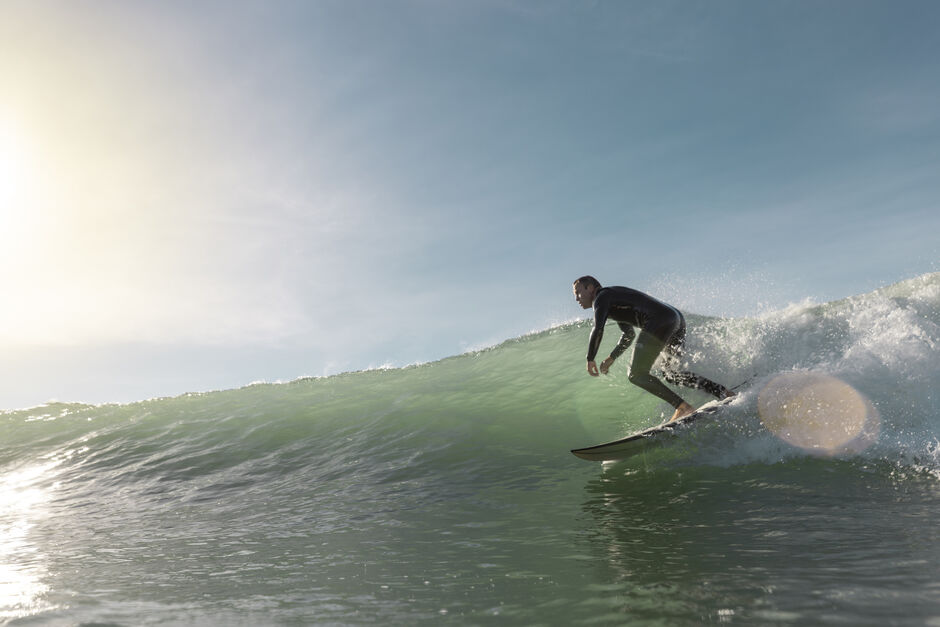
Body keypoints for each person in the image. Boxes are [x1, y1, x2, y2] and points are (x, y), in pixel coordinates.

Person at [572, 275, 734, 422]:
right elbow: (628, 335)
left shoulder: (601, 297)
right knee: (671, 375)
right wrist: (612, 357)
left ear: (591, 288)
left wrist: (590, 358)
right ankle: (723, 392)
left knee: (636, 374)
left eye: (578, 292)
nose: (577, 298)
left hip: (660, 320)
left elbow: (598, 328)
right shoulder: (612, 300)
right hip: (675, 319)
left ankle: (683, 408)